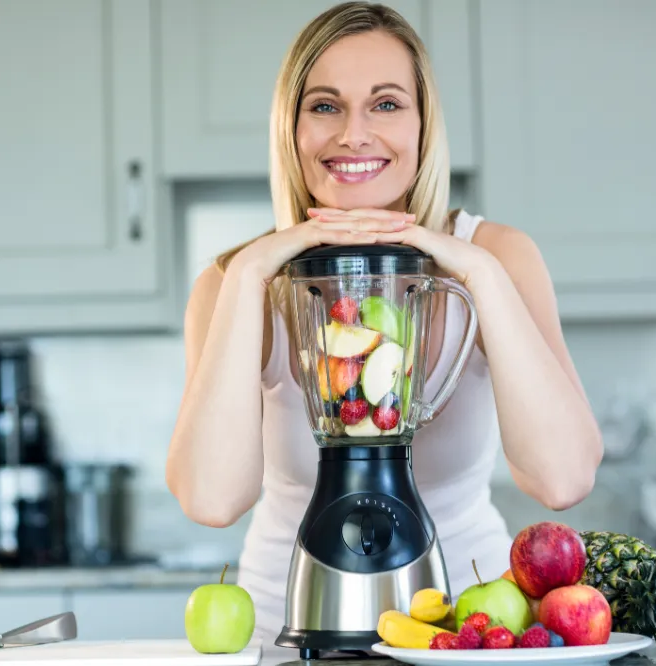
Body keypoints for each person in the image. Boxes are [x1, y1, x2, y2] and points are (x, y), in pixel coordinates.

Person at [165, 1, 603, 641]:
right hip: (283, 631)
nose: (353, 134)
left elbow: (562, 480)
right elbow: (211, 501)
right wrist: (249, 274)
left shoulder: (499, 258)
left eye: (387, 103)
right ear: (290, 130)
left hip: (470, 629)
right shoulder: (233, 283)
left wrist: (475, 273)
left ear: (425, 126)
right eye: (324, 106)